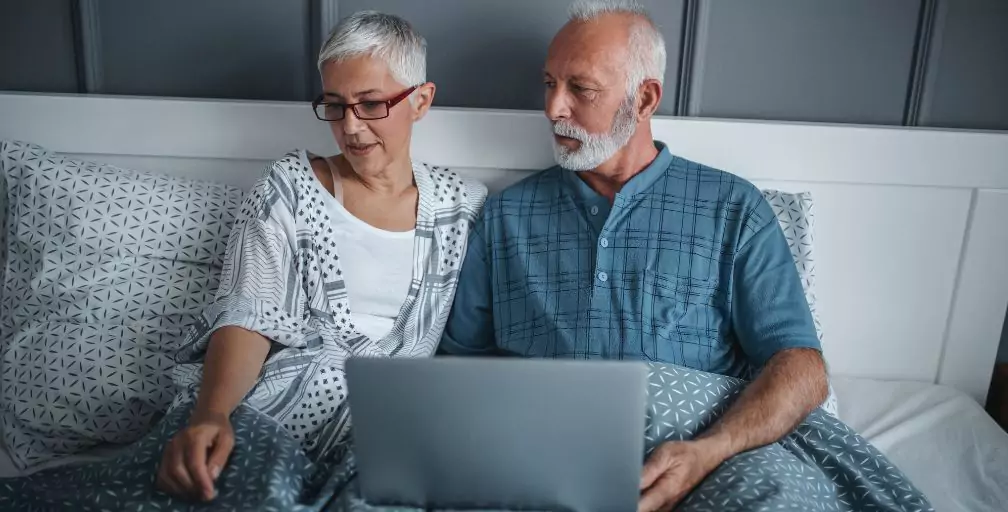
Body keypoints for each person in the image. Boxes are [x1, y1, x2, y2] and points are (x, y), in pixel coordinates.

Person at [439, 1, 828, 511]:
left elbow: (801, 368)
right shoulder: (505, 218)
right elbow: (458, 372)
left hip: (703, 463)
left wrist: (709, 452)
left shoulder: (733, 209)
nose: (554, 108)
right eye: (549, 83)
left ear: (644, 99)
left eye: (581, 88)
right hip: (541, 462)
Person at [157, 11, 486, 502]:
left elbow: (480, 341)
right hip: (270, 415)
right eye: (334, 106)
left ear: (421, 100)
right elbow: (250, 316)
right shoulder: (288, 188)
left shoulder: (465, 208)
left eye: (371, 104)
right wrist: (213, 415)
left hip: (386, 434)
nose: (350, 127)